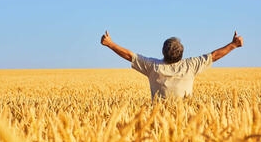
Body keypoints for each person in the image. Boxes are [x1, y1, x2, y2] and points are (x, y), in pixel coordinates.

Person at [100, 31, 243, 99]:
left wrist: (109, 43)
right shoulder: (191, 65)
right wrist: (234, 44)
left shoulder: (153, 67)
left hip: (158, 123)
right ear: (182, 53)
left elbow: (129, 56)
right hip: (186, 122)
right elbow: (215, 55)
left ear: (162, 51)